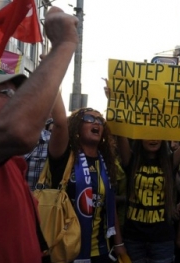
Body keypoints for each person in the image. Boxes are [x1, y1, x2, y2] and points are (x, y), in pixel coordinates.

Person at [0, 6, 78, 262]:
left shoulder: (2, 161)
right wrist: (64, 45)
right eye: (7, 95)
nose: (15, 103)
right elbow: (19, 129)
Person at [48, 107, 126, 262]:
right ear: (77, 126)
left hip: (100, 250)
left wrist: (119, 243)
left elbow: (109, 206)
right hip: (67, 249)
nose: (96, 123)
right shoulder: (64, 157)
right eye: (89, 119)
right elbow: (60, 124)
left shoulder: (107, 162)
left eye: (100, 121)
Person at [117, 137, 180, 263]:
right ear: (140, 138)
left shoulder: (170, 161)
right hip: (133, 239)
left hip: (162, 240)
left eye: (157, 135)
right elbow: (120, 133)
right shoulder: (131, 160)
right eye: (148, 135)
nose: (153, 139)